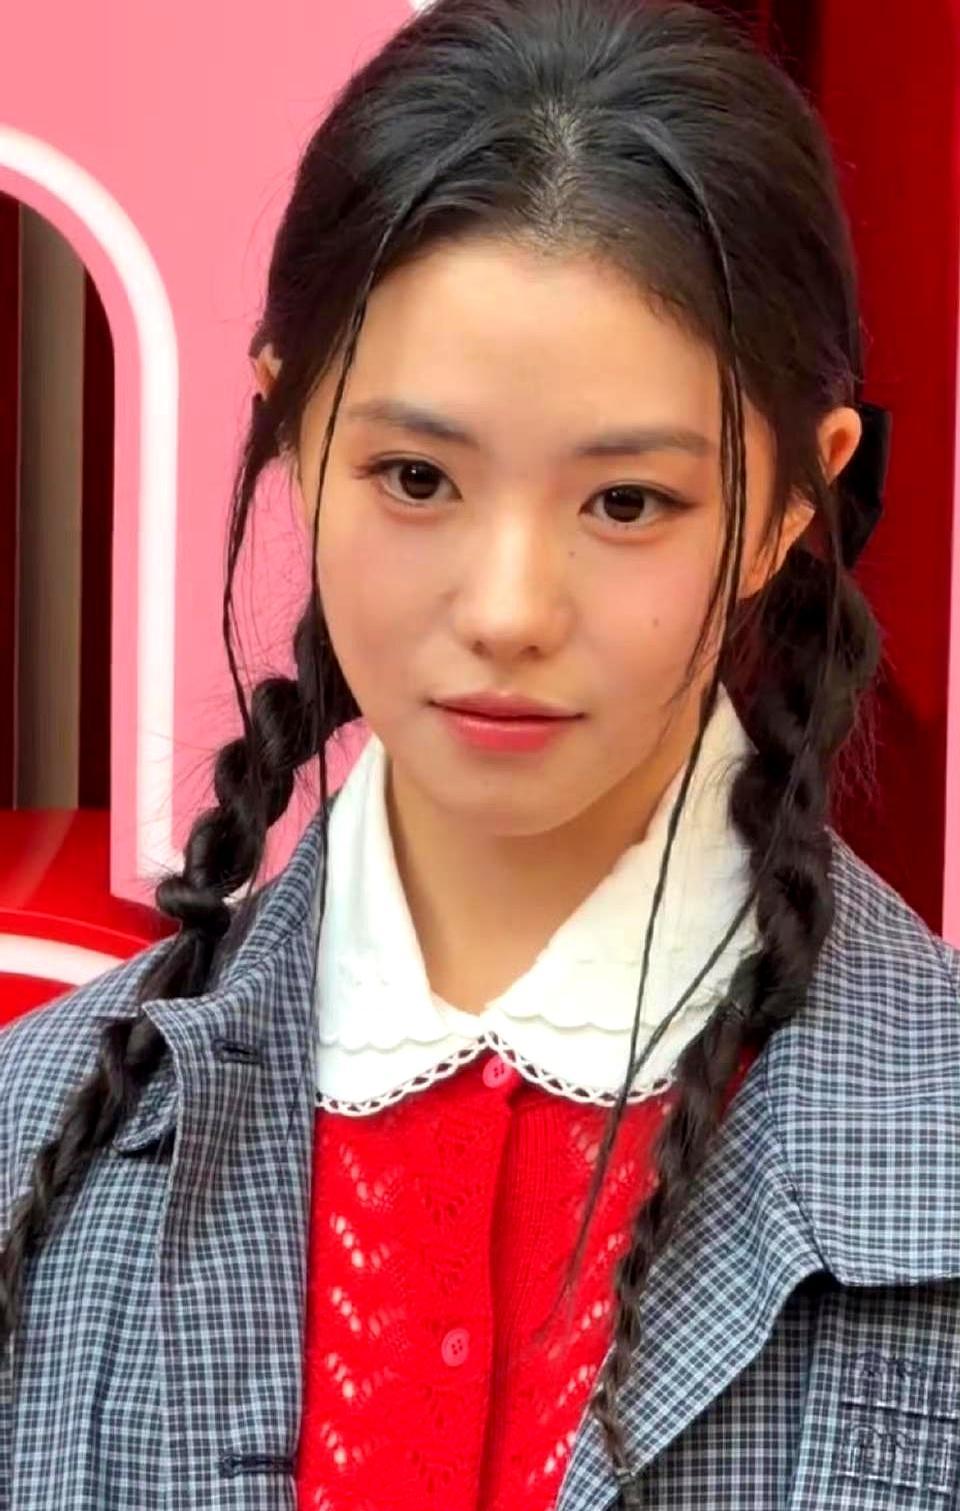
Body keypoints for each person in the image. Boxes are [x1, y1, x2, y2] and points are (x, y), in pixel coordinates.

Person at [1, 0, 956, 1507]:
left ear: (796, 497)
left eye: (627, 502)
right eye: (416, 476)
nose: (508, 610)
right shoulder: (27, 1134)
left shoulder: (928, 1131)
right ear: (288, 429)